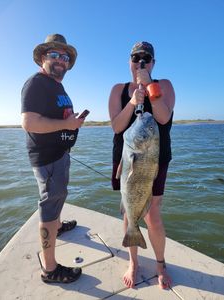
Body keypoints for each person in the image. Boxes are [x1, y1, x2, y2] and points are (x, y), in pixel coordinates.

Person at [109, 41, 175, 289]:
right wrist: (131, 101)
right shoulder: (118, 89)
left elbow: (163, 116)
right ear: (129, 62)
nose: (140, 62)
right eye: (136, 57)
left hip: (154, 159)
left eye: (146, 58)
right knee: (128, 210)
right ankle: (133, 263)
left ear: (153, 63)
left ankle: (160, 264)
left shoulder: (164, 85)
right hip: (127, 156)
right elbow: (116, 126)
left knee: (153, 215)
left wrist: (148, 85)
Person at [21, 34, 85, 284]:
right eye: (55, 55)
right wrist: (66, 123)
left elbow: (59, 118)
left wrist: (71, 122)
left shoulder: (56, 86)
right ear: (43, 58)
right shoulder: (36, 83)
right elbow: (29, 122)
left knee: (59, 196)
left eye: (65, 57)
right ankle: (50, 270)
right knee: (49, 205)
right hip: (48, 159)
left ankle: (57, 226)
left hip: (60, 155)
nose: (60, 60)